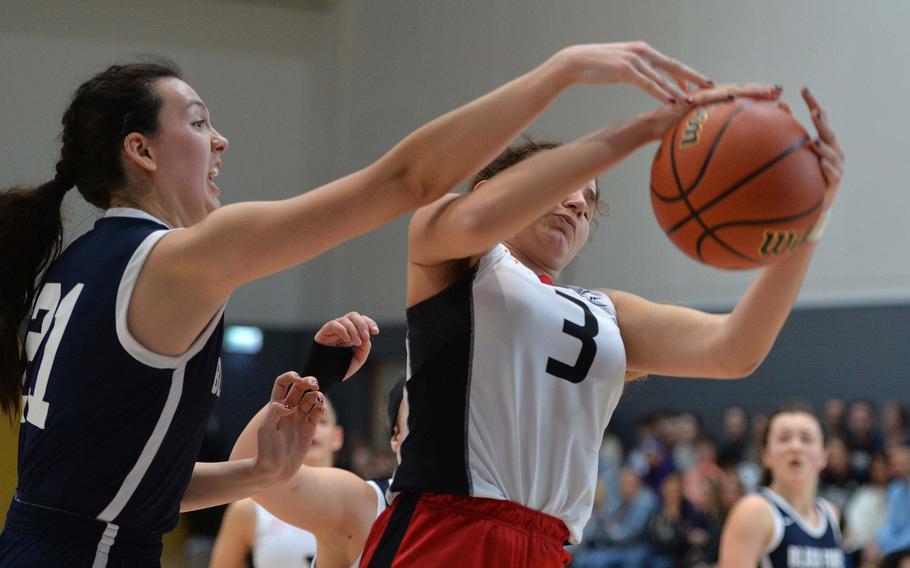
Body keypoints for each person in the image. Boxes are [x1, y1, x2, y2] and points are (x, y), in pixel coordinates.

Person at [0, 43, 680, 566]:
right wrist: (561, 73)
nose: (220, 141)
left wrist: (258, 472)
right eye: (199, 122)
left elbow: (116, 485)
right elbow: (408, 179)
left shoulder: (77, 265)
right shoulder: (178, 259)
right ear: (140, 150)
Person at [359, 74, 845, 565]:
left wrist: (808, 219)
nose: (577, 202)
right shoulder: (457, 252)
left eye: (589, 201)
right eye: (563, 186)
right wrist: (643, 129)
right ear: (493, 190)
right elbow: (472, 220)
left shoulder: (606, 309)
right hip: (446, 529)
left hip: (547, 546)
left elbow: (734, 349)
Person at [226, 313, 410, 568]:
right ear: (396, 436)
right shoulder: (361, 502)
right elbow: (248, 467)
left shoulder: (483, 508)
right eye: (420, 420)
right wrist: (315, 377)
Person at [210, 393, 345, 567]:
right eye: (303, 418)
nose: (313, 427)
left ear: (337, 437)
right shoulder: (249, 507)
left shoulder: (361, 499)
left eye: (322, 421)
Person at [719, 405, 845, 568]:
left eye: (806, 438)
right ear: (766, 454)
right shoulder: (755, 510)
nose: (795, 447)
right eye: (784, 438)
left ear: (824, 455)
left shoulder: (831, 513)